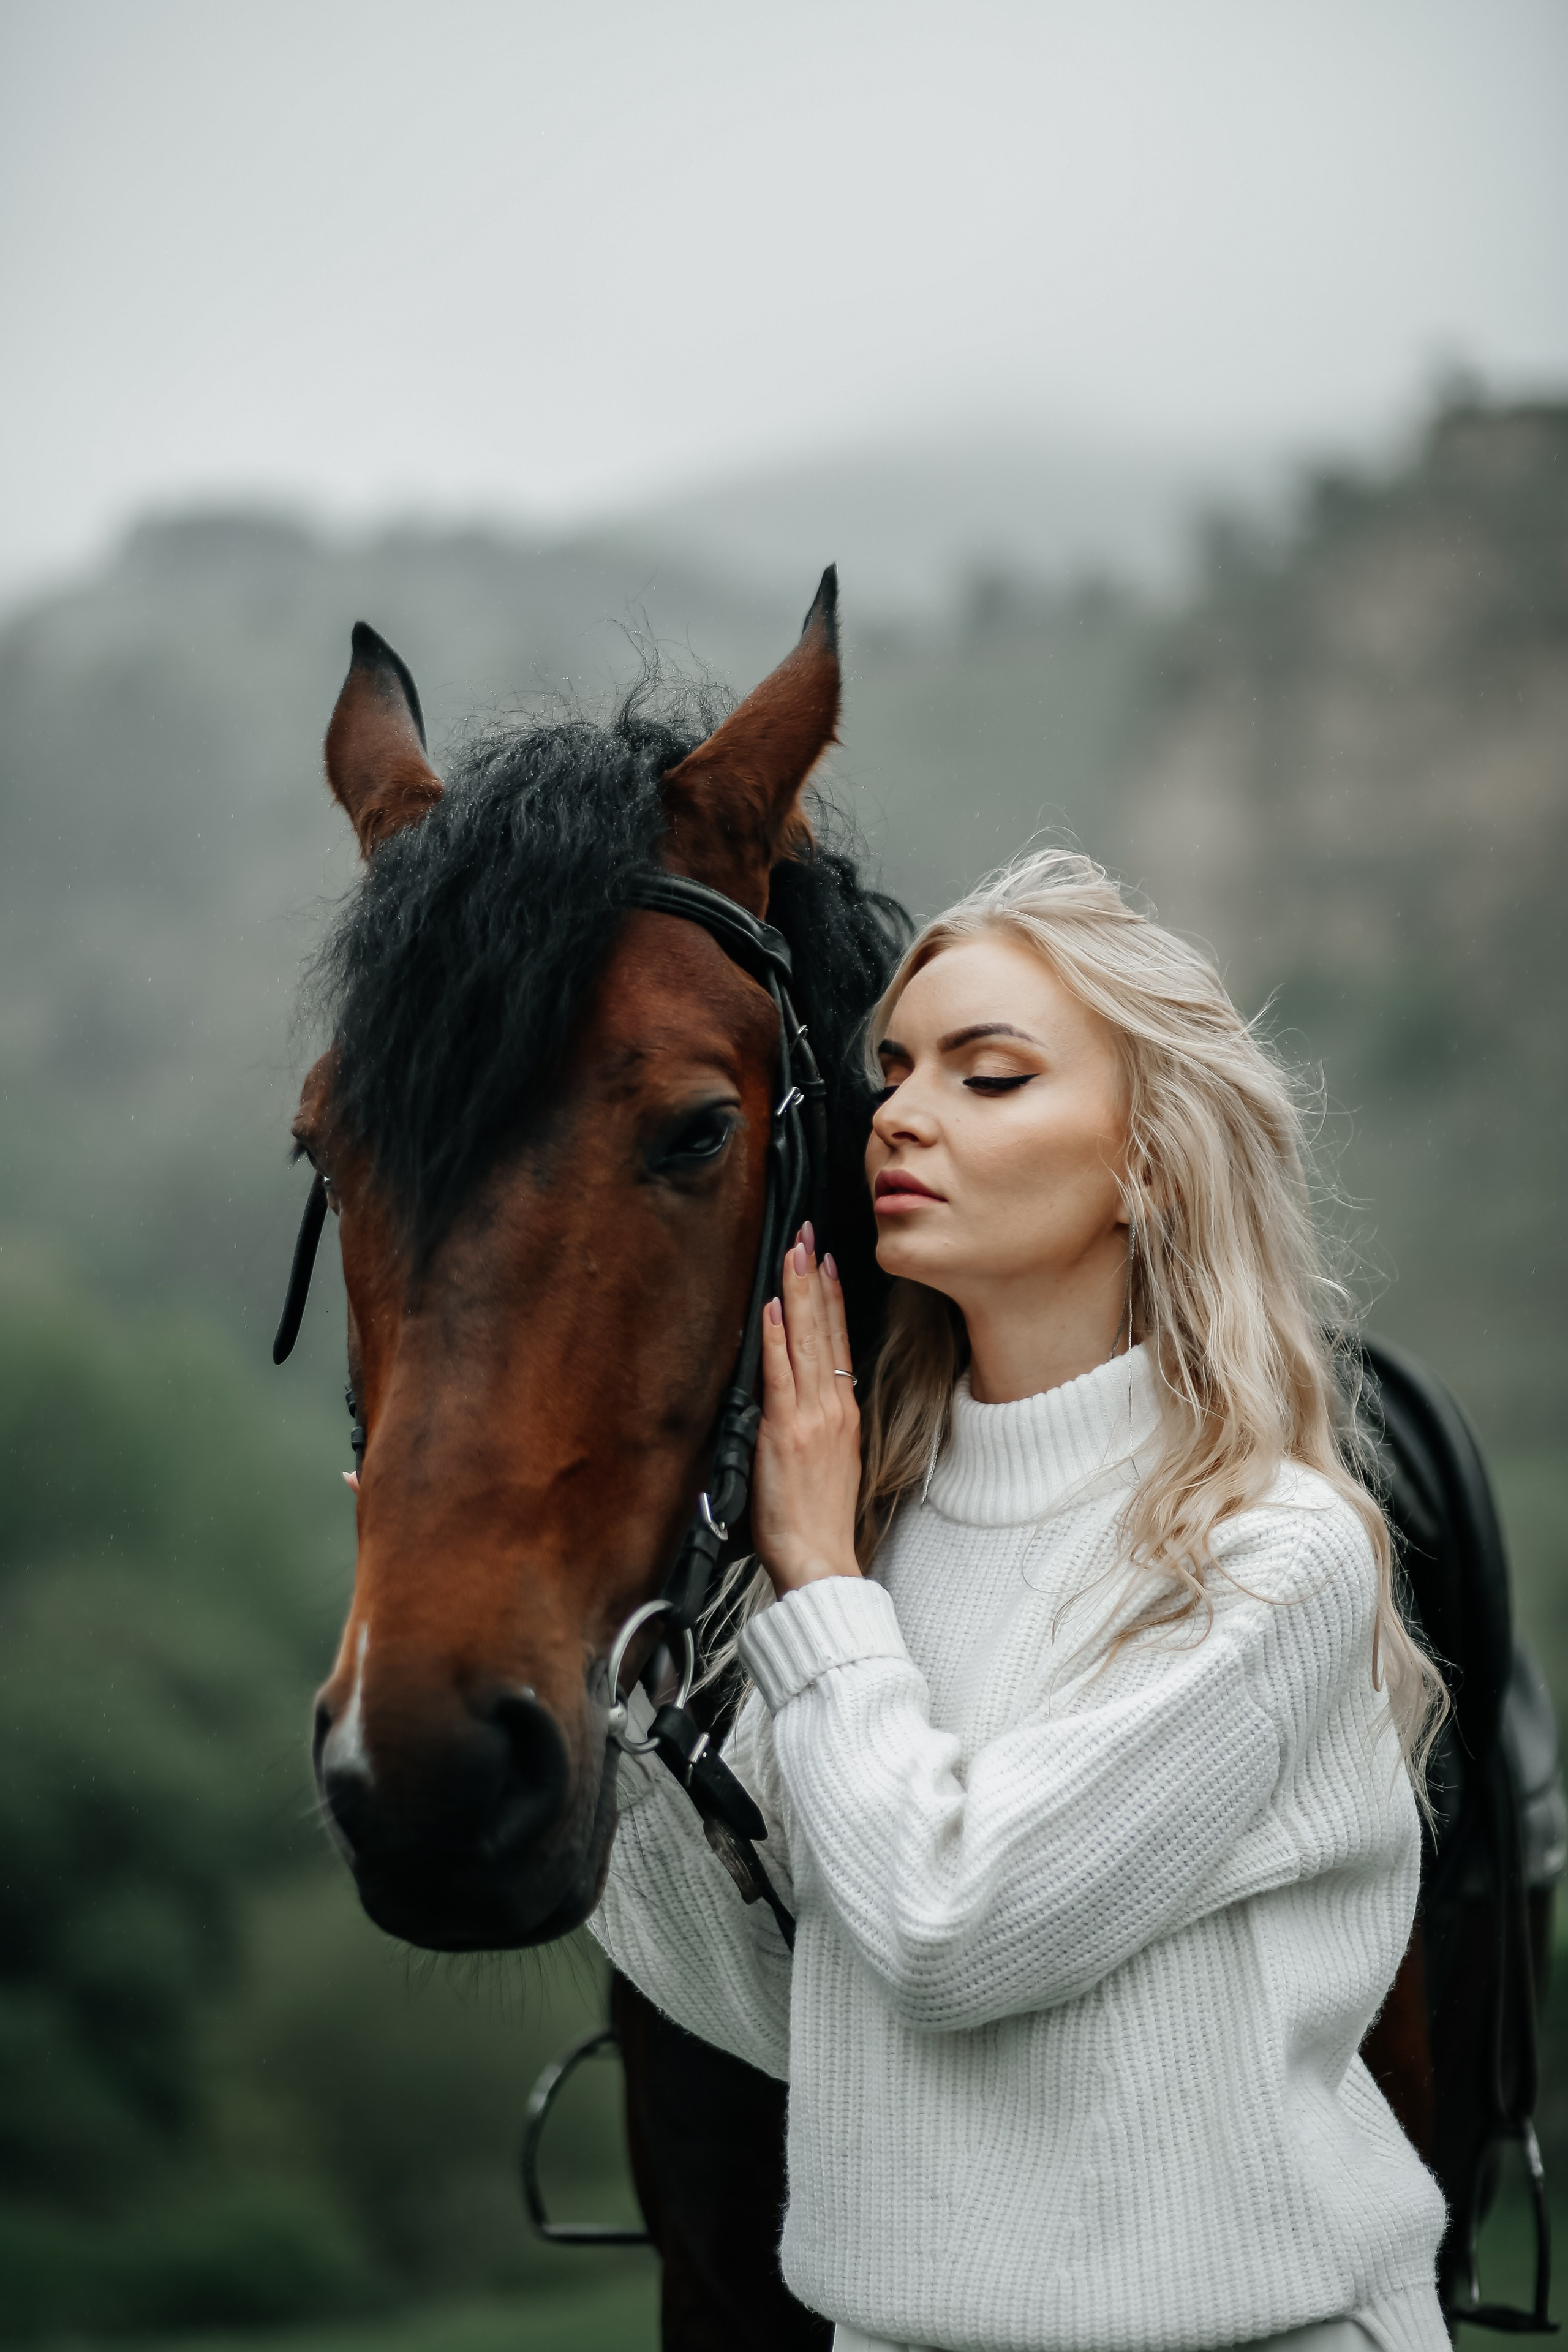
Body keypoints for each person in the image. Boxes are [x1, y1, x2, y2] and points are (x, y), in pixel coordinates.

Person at [591, 848, 1449, 2352]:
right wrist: (576, 1674)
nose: (900, 1114)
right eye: (897, 1070)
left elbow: (945, 1930)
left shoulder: (1265, 1550)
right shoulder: (876, 1543)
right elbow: (802, 2008)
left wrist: (820, 1591)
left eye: (988, 1077)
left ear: (1144, 1160)